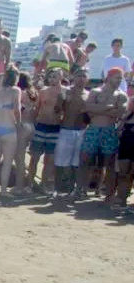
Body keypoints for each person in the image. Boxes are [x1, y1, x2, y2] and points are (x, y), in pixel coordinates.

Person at [77, 68, 128, 200]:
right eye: (117, 77)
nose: (119, 81)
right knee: (85, 159)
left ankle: (106, 193)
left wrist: (99, 109)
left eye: (120, 78)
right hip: (93, 128)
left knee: (108, 162)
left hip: (110, 130)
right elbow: (88, 108)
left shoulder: (121, 95)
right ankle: (80, 189)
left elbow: (120, 112)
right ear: (109, 77)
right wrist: (109, 107)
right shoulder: (95, 91)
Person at [28, 68, 65, 193]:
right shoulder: (43, 91)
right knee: (34, 157)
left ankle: (44, 184)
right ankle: (29, 184)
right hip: (41, 126)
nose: (52, 79)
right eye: (50, 76)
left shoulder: (65, 92)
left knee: (49, 159)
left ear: (61, 77)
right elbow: (36, 109)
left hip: (55, 128)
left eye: (55, 76)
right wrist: (33, 125)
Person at [53, 67, 88, 197]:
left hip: (81, 131)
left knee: (76, 163)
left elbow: (89, 116)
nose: (81, 78)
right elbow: (56, 110)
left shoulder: (89, 94)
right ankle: (56, 189)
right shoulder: (65, 91)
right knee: (60, 162)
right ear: (74, 77)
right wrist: (61, 101)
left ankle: (72, 188)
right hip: (66, 130)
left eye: (84, 76)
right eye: (79, 75)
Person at [0, 65, 22, 197]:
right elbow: (17, 109)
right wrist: (19, 123)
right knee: (7, 162)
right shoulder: (16, 91)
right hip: (8, 128)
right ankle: (3, 190)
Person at [113, 104, 134, 209]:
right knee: (123, 174)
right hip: (125, 146)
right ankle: (122, 200)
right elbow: (118, 130)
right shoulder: (127, 116)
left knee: (131, 174)